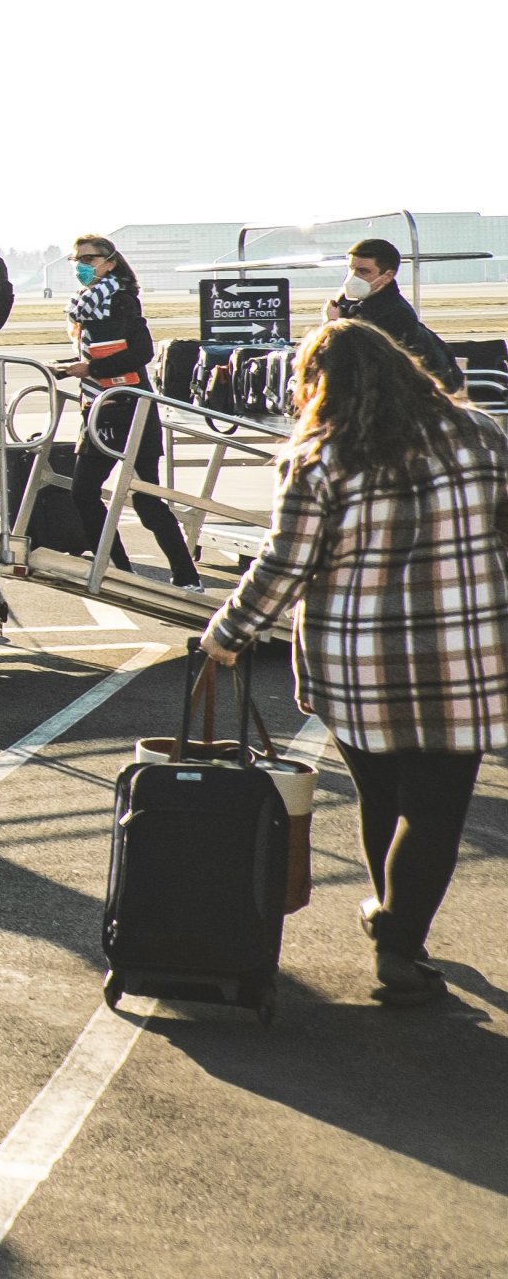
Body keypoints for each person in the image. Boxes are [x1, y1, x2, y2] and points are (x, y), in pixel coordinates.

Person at [200, 319, 508, 1005]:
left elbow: (286, 564)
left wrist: (229, 632)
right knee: (435, 812)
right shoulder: (482, 436)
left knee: (381, 795)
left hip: (357, 661)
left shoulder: (320, 459)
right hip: (465, 655)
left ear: (321, 385)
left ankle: (396, 928)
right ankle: (399, 941)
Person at [60, 234, 200, 586]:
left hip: (129, 407)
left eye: (89, 260)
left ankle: (185, 575)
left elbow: (140, 353)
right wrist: (71, 367)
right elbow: (96, 352)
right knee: (84, 493)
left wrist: (90, 368)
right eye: (76, 260)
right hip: (98, 406)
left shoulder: (120, 300)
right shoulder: (85, 304)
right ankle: (118, 568)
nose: (81, 267)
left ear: (110, 263)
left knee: (146, 499)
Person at [332, 237, 463, 396]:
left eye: (363, 272)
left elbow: (355, 360)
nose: (353, 278)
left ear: (387, 276)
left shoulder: (396, 315)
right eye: (351, 269)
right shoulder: (349, 301)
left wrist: (332, 325)